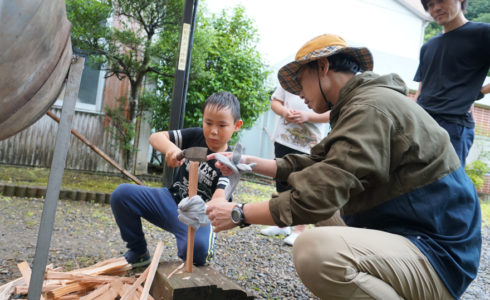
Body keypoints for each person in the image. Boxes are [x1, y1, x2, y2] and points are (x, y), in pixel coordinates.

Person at [206, 33, 481, 299]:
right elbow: (319, 164)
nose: (298, 94)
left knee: (314, 251)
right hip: (409, 233)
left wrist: (239, 213)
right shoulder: (360, 104)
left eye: (301, 82)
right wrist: (247, 163)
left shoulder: (371, 108)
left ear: (323, 67)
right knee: (328, 214)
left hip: (437, 254)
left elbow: (319, 192)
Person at [110, 91, 243, 267]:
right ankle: (138, 252)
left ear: (236, 125)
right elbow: (156, 137)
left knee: (197, 252)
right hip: (171, 201)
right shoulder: (196, 136)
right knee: (122, 195)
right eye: (208, 123)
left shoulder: (230, 162)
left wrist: (205, 209)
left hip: (199, 217)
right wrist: (172, 150)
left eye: (222, 125)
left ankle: (197, 249)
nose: (213, 131)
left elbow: (219, 198)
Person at [414, 0, 490, 167]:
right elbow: (422, 87)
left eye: (441, 0)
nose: (436, 8)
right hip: (422, 122)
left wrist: (479, 93)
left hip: (454, 125)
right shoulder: (428, 46)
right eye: (430, 5)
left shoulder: (483, 33)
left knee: (446, 186)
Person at [260, 85, 330, 245]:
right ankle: (282, 224)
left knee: (303, 186)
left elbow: (332, 113)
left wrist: (308, 116)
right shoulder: (287, 81)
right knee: (281, 181)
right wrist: (285, 112)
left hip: (309, 145)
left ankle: (299, 230)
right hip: (283, 139)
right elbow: (275, 102)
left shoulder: (323, 83)